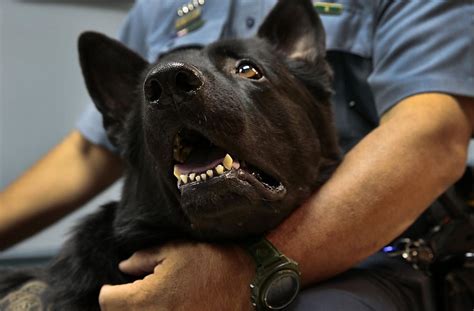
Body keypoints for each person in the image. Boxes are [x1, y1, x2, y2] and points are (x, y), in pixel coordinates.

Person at [1, 0, 473, 310]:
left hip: (370, 252)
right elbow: (88, 154)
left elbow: (431, 136)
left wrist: (253, 271)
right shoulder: (160, 7)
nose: (175, 81)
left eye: (247, 70)